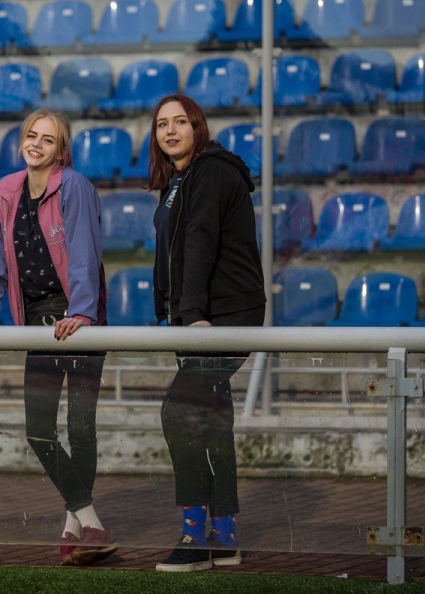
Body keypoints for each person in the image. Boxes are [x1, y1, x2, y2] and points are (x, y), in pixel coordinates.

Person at [0, 109, 116, 567]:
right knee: (39, 430)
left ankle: (75, 527)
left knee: (80, 427)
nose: (37, 144)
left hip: (80, 314)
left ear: (61, 151)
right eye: (31, 136)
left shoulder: (74, 185)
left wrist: (82, 312)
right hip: (39, 318)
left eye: (48, 139)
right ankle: (89, 521)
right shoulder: (3, 193)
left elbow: (84, 251)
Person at [147, 95, 267, 572]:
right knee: (212, 418)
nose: (170, 130)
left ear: (198, 127)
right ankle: (226, 535)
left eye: (181, 122)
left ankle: (195, 535)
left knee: (178, 412)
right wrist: (168, 309)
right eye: (162, 124)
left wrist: (193, 314)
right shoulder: (177, 180)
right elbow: (171, 249)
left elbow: (199, 240)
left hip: (225, 315)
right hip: (193, 316)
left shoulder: (212, 171)